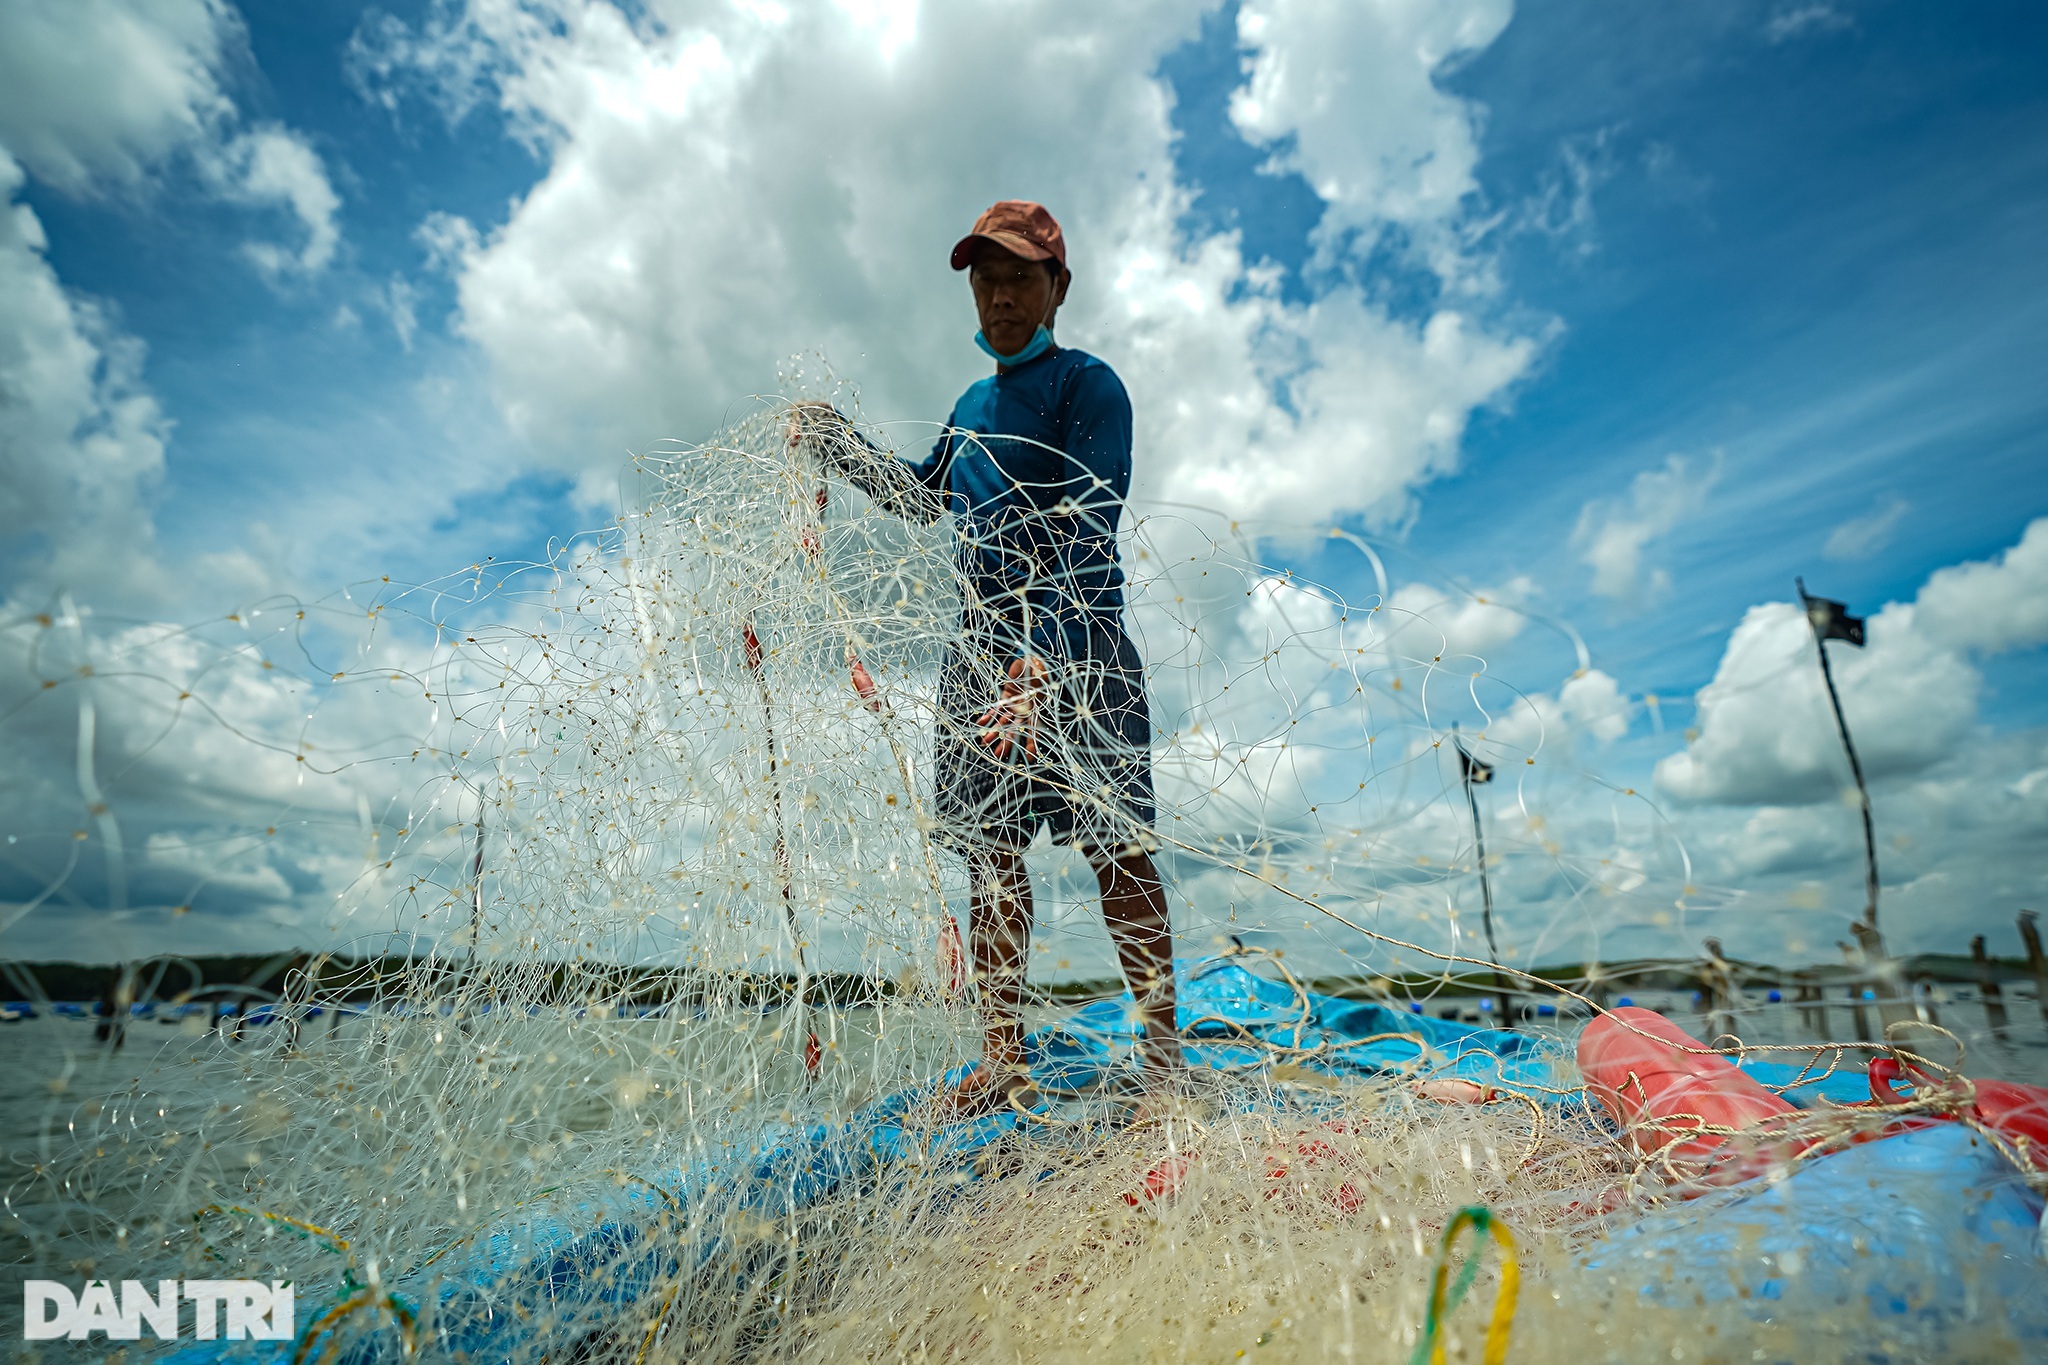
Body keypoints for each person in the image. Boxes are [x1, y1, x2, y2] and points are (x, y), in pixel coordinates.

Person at [794, 200, 1182, 1116]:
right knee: (991, 863)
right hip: (978, 656)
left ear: (1057, 289)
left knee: (1118, 854)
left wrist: (1046, 657)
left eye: (1019, 276)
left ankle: (1164, 1064)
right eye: (985, 276)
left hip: (1079, 650)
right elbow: (925, 495)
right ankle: (1002, 1063)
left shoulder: (1090, 385)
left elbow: (1091, 530)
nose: (1000, 293)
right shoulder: (971, 405)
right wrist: (841, 447)